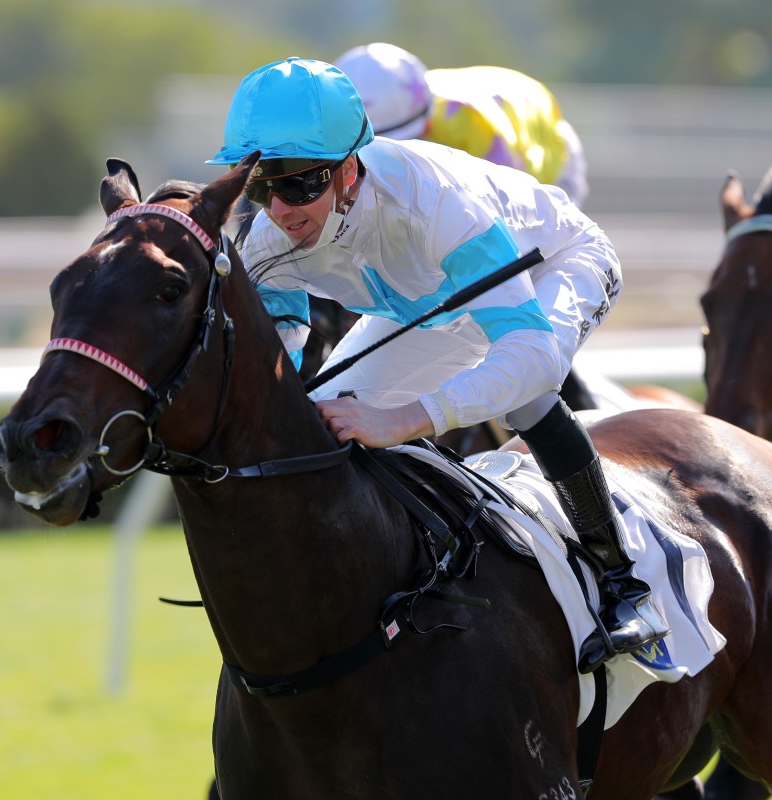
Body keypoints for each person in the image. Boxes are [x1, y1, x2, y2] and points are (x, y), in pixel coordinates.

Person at [206, 57, 667, 672]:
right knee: (325, 422)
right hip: (429, 303)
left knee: (525, 391)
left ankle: (624, 582)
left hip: (552, 264)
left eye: (301, 184)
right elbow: (283, 353)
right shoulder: (266, 242)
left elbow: (528, 354)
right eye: (263, 185)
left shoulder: (432, 200)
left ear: (350, 169)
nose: (282, 209)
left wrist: (407, 420)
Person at [334, 42, 590, 209]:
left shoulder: (478, 132)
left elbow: (515, 219)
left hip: (541, 140)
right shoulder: (413, 104)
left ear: (428, 123)